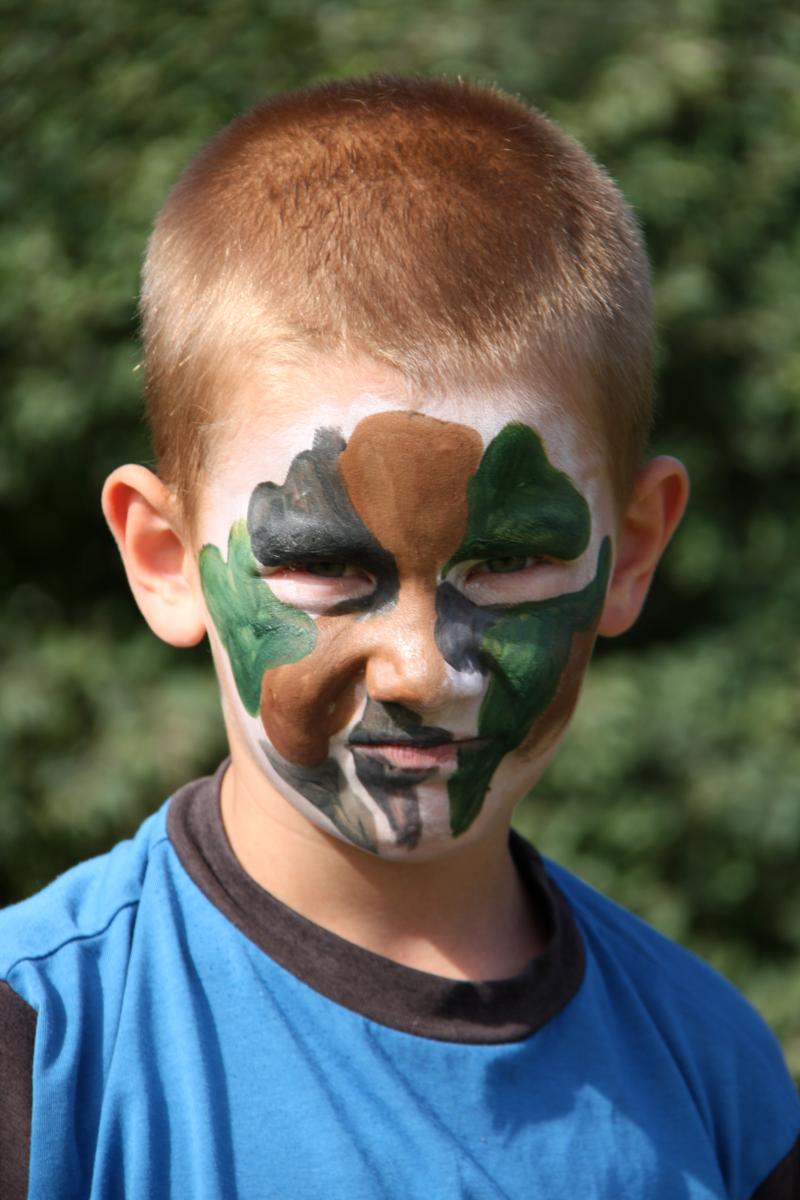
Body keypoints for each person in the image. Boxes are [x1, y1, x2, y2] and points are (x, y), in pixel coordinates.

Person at [1, 74, 797, 1199]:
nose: (423, 669)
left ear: (628, 553)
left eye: (508, 564)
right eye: (327, 568)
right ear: (167, 559)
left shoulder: (714, 1078)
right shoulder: (41, 1051)